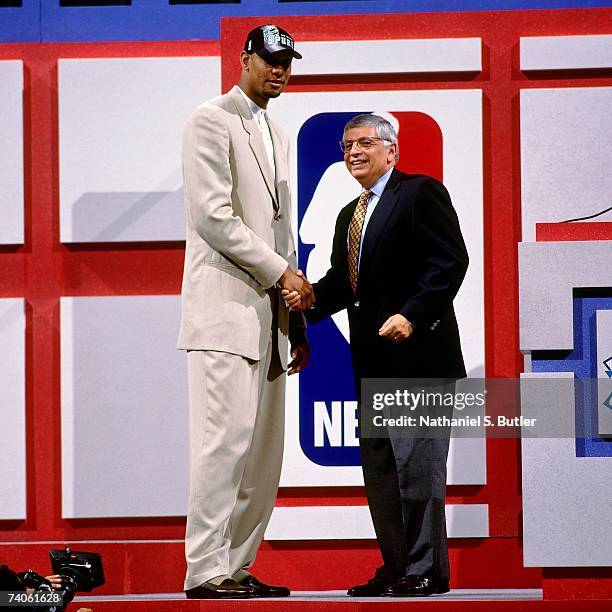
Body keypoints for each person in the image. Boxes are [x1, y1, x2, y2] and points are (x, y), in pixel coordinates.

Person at [284, 114, 468, 597]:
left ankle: (426, 570)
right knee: (382, 471)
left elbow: (450, 262)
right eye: (347, 145)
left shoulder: (420, 192)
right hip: (371, 364)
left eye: (365, 142)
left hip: (420, 358)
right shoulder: (350, 214)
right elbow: (347, 286)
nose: (354, 152)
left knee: (418, 470)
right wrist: (311, 301)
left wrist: (412, 314)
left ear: (392, 150)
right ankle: (397, 567)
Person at [177, 25, 312, 600]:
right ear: (245, 58)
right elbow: (213, 217)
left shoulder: (277, 132)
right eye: (269, 59)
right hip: (225, 312)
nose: (279, 70)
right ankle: (204, 570)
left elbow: (282, 234)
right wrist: (283, 274)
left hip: (272, 323)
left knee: (262, 457)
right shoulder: (211, 118)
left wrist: (297, 319)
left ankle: (236, 567)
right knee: (222, 446)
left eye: (287, 61)